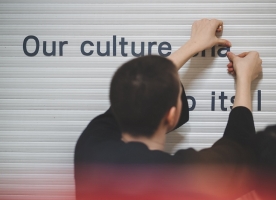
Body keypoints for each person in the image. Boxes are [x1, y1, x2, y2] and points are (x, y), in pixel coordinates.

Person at [74, 19, 262, 200]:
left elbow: (135, 95)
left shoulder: (91, 150)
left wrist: (193, 44)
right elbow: (242, 148)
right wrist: (244, 78)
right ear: (171, 116)